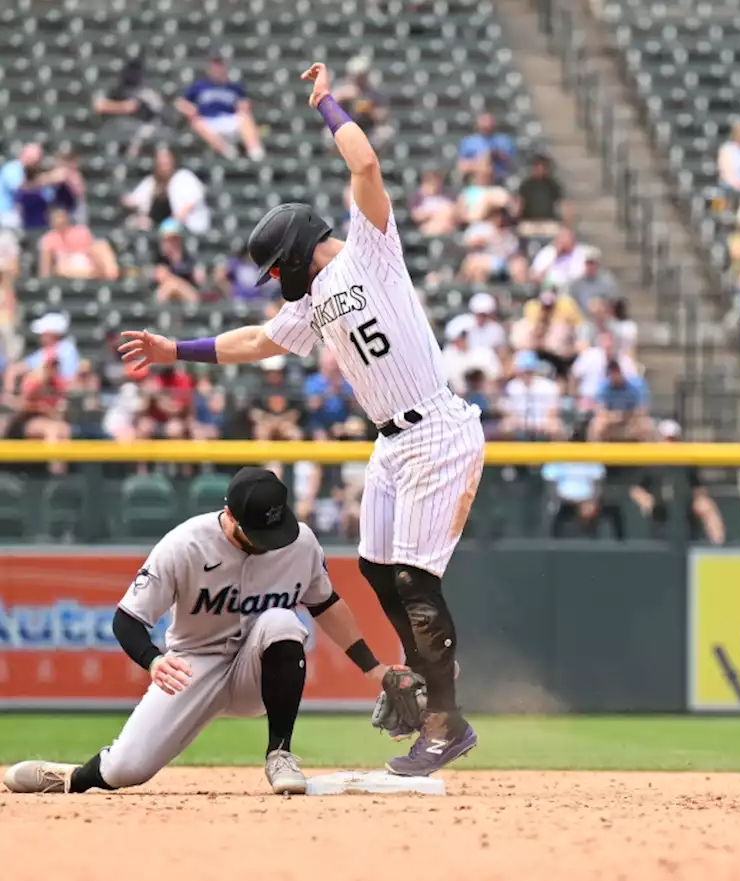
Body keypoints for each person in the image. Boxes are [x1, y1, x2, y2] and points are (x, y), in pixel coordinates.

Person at [118, 62, 483, 776]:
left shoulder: (370, 252)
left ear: (295, 250)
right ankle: (424, 675)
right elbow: (256, 341)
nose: (279, 279)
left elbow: (367, 163)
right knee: (377, 569)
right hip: (390, 444)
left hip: (436, 427)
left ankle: (446, 718)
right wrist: (176, 350)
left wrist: (326, 104)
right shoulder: (312, 300)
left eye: (278, 266)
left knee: (414, 581)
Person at [1, 468, 394, 796]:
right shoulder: (184, 544)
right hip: (193, 666)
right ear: (230, 516)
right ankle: (71, 777)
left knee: (282, 621)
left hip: (255, 671)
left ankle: (280, 753)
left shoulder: (300, 542)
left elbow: (325, 603)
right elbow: (127, 619)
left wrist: (373, 668)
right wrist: (153, 660)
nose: (268, 545)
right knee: (125, 770)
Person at [629, 419, 726, 544]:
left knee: (707, 507)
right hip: (660, 506)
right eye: (667, 439)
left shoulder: (686, 461)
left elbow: (698, 487)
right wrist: (646, 500)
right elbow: (635, 488)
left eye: (673, 439)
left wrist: (700, 500)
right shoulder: (650, 461)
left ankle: (719, 547)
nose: (670, 443)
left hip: (686, 504)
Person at [175, 55, 265, 160]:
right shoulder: (199, 86)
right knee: (196, 122)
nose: (217, 69)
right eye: (214, 66)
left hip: (230, 120)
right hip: (209, 122)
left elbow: (244, 103)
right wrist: (190, 110)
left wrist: (244, 107)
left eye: (219, 66)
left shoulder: (234, 88)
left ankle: (256, 153)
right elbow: (180, 102)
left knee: (246, 117)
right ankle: (229, 152)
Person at [123, 146, 210, 234]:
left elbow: (194, 199)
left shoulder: (184, 177)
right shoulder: (152, 181)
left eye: (166, 159)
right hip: (158, 225)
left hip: (186, 227)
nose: (163, 162)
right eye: (160, 160)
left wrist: (173, 221)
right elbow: (135, 199)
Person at [93, 56, 168, 157]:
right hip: (113, 129)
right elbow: (98, 106)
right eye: (131, 71)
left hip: (137, 133)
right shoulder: (113, 89)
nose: (133, 75)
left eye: (137, 72)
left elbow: (159, 114)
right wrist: (124, 107)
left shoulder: (147, 94)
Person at [38, 207, 119, 280]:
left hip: (87, 262)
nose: (60, 220)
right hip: (65, 266)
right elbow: (45, 268)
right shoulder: (48, 239)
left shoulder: (81, 231)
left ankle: (111, 277)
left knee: (101, 244)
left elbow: (92, 252)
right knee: (62, 268)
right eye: (57, 217)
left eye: (62, 217)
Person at [331, 56, 392, 147]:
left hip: (369, 127)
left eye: (362, 75)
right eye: (356, 75)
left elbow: (383, 115)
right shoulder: (342, 88)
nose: (359, 78)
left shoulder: (376, 92)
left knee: (385, 133)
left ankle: (373, 160)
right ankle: (337, 160)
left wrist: (369, 110)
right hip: (346, 126)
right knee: (329, 135)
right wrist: (342, 97)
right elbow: (328, 106)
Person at [515, 153, 567, 237]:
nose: (540, 169)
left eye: (543, 166)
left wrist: (566, 223)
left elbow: (561, 204)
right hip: (529, 223)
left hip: (548, 223)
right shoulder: (525, 185)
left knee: (557, 231)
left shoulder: (553, 186)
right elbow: (519, 205)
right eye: (537, 166)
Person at [456, 112, 516, 182]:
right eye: (484, 122)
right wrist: (481, 162)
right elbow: (462, 164)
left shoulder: (503, 140)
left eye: (489, 122)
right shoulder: (468, 142)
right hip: (475, 177)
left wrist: (495, 155)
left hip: (499, 177)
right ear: (477, 124)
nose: (486, 125)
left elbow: (510, 162)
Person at [408, 170, 456, 236]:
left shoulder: (445, 197)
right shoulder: (419, 198)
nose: (434, 187)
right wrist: (433, 213)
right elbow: (416, 216)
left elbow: (453, 212)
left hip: (446, 227)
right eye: (430, 183)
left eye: (436, 183)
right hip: (428, 227)